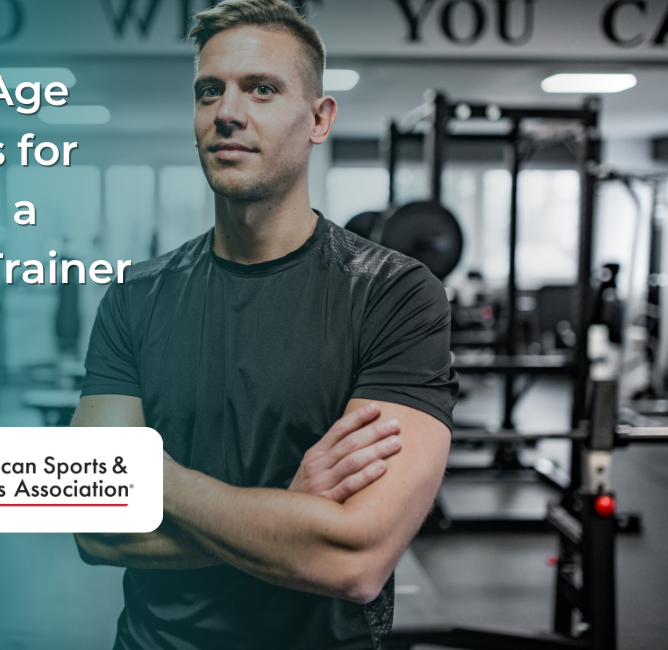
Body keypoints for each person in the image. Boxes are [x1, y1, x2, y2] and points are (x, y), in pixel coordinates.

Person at [72, 1, 458, 648]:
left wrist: (153, 478)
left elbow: (354, 560)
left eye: (262, 89)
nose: (227, 110)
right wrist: (289, 504)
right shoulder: (133, 300)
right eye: (208, 90)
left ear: (319, 118)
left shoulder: (395, 296)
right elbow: (95, 527)